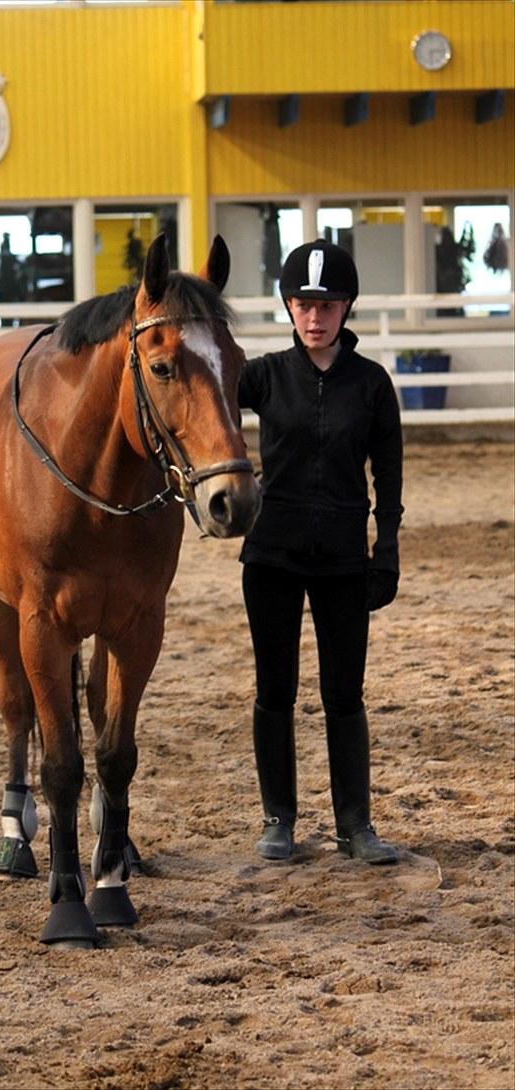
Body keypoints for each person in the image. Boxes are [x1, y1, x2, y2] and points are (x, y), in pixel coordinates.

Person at [238, 239, 403, 865]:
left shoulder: (371, 385)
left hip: (342, 559)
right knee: (274, 688)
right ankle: (278, 817)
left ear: (346, 307)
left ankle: (354, 823)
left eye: (327, 304)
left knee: (345, 693)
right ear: (288, 306)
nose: (315, 317)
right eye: (304, 304)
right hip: (272, 556)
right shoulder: (262, 376)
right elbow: (202, 407)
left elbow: (388, 475)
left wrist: (384, 549)